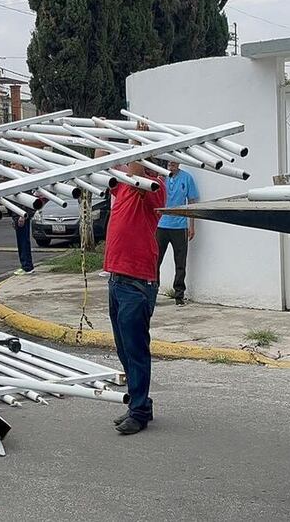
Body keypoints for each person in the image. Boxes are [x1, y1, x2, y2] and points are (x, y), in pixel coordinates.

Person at [104, 149, 166, 435]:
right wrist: (100, 133)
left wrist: (137, 143)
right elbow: (103, 165)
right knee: (123, 348)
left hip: (137, 282)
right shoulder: (125, 187)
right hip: (117, 279)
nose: (128, 165)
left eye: (133, 160)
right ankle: (140, 404)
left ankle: (139, 411)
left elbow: (139, 170)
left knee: (136, 349)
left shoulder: (153, 188)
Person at [156, 161, 199, 306]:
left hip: (180, 226)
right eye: (169, 161)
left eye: (174, 161)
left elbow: (192, 202)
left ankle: (179, 295)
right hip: (161, 225)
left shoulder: (187, 178)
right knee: (155, 260)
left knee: (180, 262)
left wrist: (191, 225)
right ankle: (152, 292)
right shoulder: (161, 178)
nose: (171, 164)